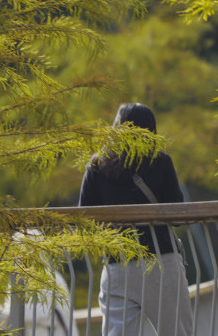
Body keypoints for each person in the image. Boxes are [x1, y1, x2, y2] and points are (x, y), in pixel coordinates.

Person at [79, 103, 193, 336]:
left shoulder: (96, 166)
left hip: (117, 265)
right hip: (161, 261)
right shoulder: (160, 162)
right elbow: (178, 215)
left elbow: (85, 219)